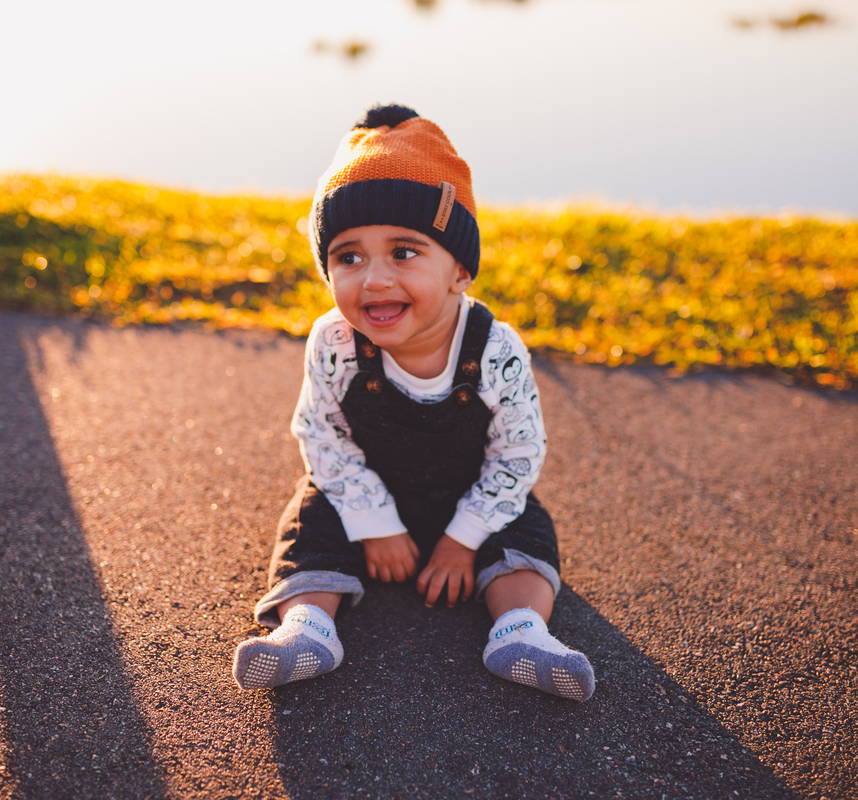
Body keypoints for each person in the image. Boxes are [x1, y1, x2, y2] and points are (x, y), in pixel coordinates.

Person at [231, 104, 595, 701]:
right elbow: (322, 436)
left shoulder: (495, 350)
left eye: (404, 252)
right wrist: (373, 525)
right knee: (311, 520)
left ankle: (521, 633)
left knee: (526, 532)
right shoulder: (335, 341)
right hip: (366, 487)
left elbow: (518, 453)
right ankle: (306, 628)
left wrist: (462, 538)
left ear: (459, 272)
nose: (373, 280)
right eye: (348, 257)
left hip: (470, 494)